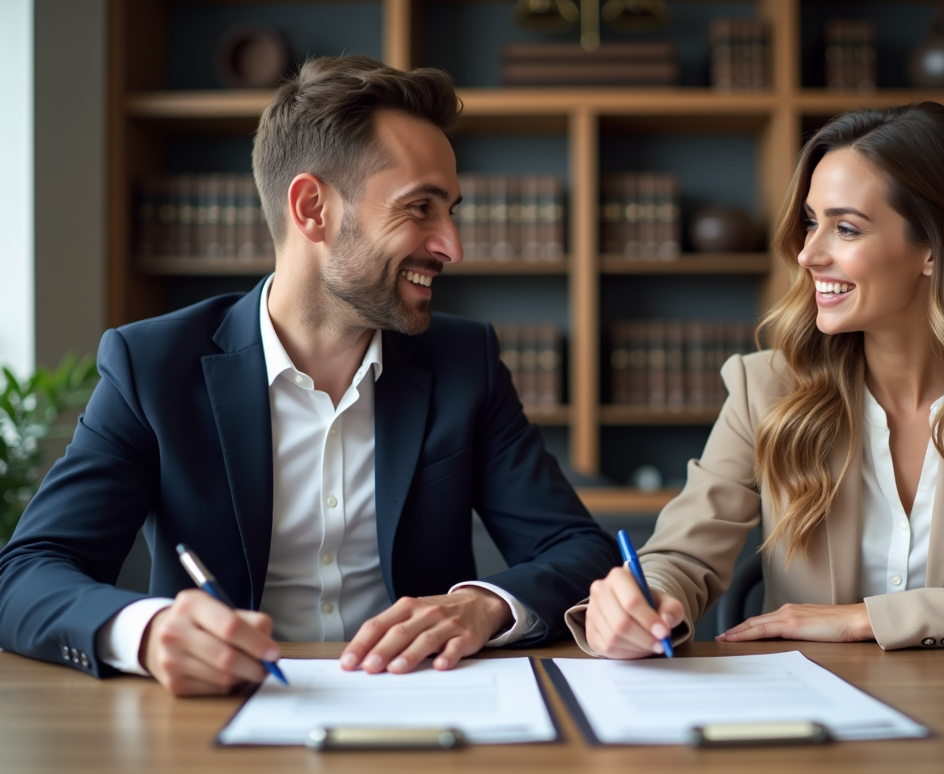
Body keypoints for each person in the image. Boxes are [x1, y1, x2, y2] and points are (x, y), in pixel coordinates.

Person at [0, 55, 620, 695]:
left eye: (451, 211)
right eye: (420, 209)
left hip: (426, 710)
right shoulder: (153, 365)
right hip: (220, 722)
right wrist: (150, 633)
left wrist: (484, 603)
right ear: (312, 208)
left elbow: (579, 550)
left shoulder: (465, 362)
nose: (451, 246)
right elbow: (26, 574)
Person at [575, 102, 944, 658]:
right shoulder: (764, 388)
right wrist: (641, 599)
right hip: (816, 723)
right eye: (810, 223)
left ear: (938, 250)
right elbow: (683, 554)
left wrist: (870, 617)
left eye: (846, 229)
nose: (808, 255)